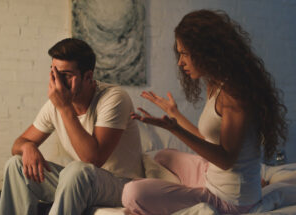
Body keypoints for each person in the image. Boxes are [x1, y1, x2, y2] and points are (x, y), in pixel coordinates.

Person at [122, 9, 288, 215]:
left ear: (205, 51)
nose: (180, 62)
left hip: (231, 201)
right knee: (164, 156)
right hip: (213, 177)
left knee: (132, 193)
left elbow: (226, 160)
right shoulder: (216, 84)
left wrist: (175, 130)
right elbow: (211, 143)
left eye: (184, 53)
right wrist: (175, 115)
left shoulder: (234, 95)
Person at [0, 38, 144, 215]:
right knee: (16, 165)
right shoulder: (55, 104)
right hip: (82, 180)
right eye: (53, 73)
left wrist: (65, 108)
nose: (57, 82)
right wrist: (28, 146)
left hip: (122, 185)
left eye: (65, 75)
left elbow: (93, 160)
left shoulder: (114, 98)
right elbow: (19, 144)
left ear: (88, 76)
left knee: (77, 170)